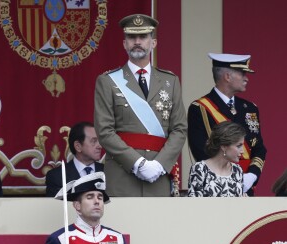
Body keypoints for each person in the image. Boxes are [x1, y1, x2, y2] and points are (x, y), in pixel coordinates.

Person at [94, 14, 187, 197]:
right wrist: (138, 164)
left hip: (159, 176)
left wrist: (160, 164)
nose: (137, 41)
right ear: (124, 44)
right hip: (123, 175)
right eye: (131, 37)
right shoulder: (107, 81)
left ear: (153, 43)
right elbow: (104, 131)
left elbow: (180, 129)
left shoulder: (170, 81)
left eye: (143, 37)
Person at [187, 53, 267, 196]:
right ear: (227, 76)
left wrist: (252, 176)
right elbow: (201, 150)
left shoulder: (250, 108)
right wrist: (226, 177)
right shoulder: (200, 108)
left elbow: (259, 147)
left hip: (247, 187)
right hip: (216, 185)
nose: (246, 78)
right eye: (242, 73)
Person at [187, 121, 246, 197]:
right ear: (224, 146)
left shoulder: (237, 170)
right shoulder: (200, 169)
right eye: (238, 146)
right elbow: (194, 205)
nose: (242, 151)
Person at [46, 122, 104, 197]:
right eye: (94, 141)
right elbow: (55, 206)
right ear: (78, 146)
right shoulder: (57, 176)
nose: (99, 146)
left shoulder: (108, 172)